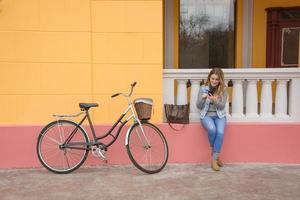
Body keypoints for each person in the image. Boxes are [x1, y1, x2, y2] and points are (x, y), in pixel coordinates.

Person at [196, 68, 227, 171]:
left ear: (220, 80)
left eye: (217, 79)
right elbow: (198, 106)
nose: (214, 81)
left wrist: (214, 99)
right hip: (206, 115)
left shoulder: (223, 90)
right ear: (209, 78)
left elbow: (222, 106)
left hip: (220, 116)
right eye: (212, 78)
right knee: (212, 129)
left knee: (220, 133)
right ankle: (216, 156)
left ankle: (214, 160)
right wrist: (204, 98)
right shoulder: (203, 88)